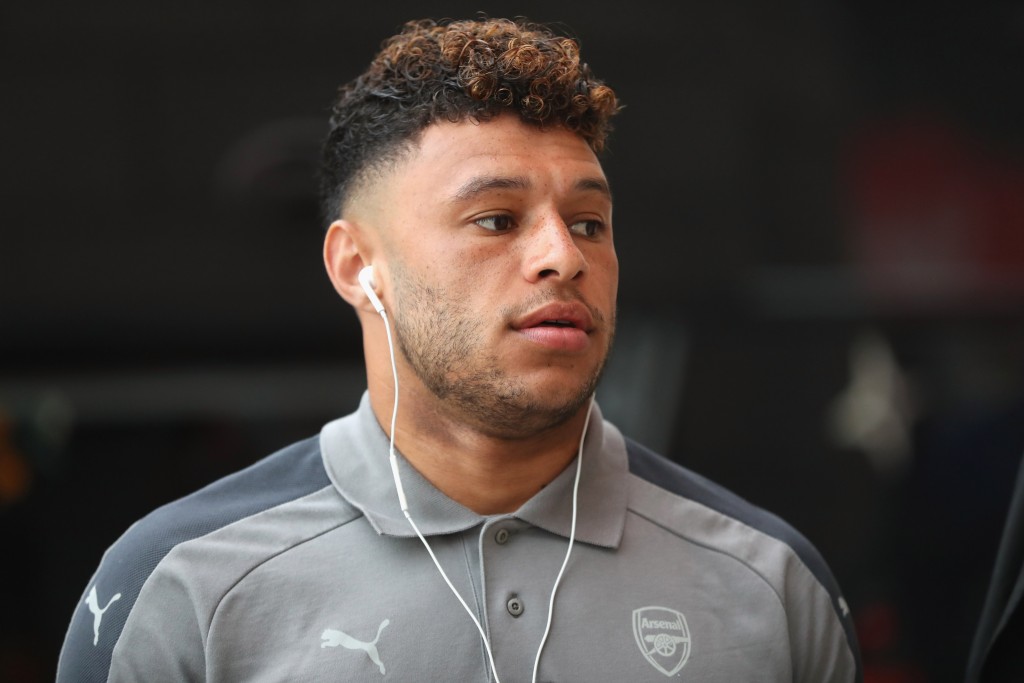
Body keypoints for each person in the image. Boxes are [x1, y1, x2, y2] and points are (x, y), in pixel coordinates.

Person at [58, 17, 861, 682]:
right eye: (496, 219)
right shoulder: (183, 585)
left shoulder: (769, 586)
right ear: (355, 266)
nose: (563, 256)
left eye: (589, 223)